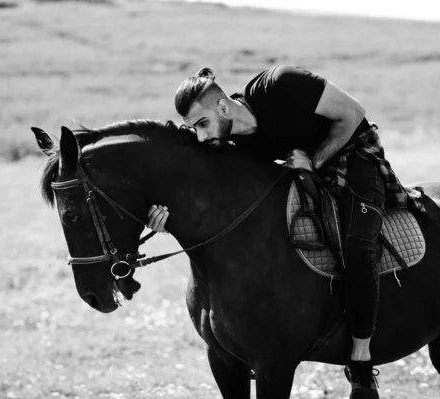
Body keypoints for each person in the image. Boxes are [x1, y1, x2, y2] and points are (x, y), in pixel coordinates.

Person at [148, 65, 425, 399]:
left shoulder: (280, 84)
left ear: (222, 107)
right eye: (193, 129)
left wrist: (315, 161)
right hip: (301, 170)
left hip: (353, 154)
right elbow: (199, 187)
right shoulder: (231, 144)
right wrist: (165, 219)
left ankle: (361, 362)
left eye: (202, 124)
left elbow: (353, 114)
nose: (202, 136)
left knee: (358, 246)